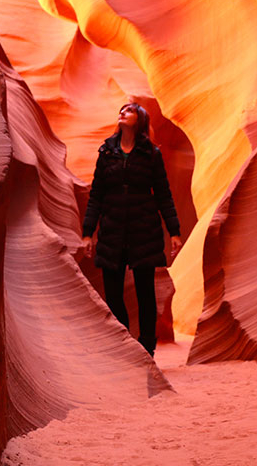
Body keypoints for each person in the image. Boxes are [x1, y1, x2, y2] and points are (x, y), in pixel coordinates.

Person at [81, 102, 183, 356]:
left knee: (145, 292)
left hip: (143, 231)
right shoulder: (106, 152)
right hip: (112, 231)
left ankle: (147, 348)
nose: (122, 113)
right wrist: (87, 232)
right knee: (113, 295)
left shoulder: (151, 154)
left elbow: (163, 195)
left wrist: (174, 232)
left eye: (129, 111)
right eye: (121, 110)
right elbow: (96, 195)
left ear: (140, 121)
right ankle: (125, 347)